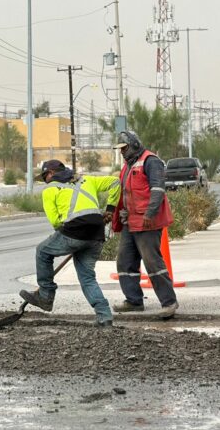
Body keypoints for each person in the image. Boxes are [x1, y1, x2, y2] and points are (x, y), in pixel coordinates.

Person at [19, 160, 120, 327]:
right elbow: (115, 182)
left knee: (43, 251)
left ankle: (45, 296)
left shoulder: (50, 189)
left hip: (74, 232)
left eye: (44, 177)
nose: (45, 181)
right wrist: (110, 209)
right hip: (96, 233)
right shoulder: (87, 179)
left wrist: (68, 238)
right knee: (87, 278)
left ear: (51, 173)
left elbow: (55, 221)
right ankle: (104, 316)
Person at [111, 131, 179, 320]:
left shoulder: (151, 161)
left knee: (153, 263)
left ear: (134, 145)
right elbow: (126, 193)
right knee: (125, 262)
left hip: (147, 222)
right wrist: (120, 212)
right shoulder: (128, 165)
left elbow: (158, 189)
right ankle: (134, 301)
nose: (122, 152)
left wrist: (150, 213)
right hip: (130, 222)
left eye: (124, 148)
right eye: (120, 149)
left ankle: (169, 302)